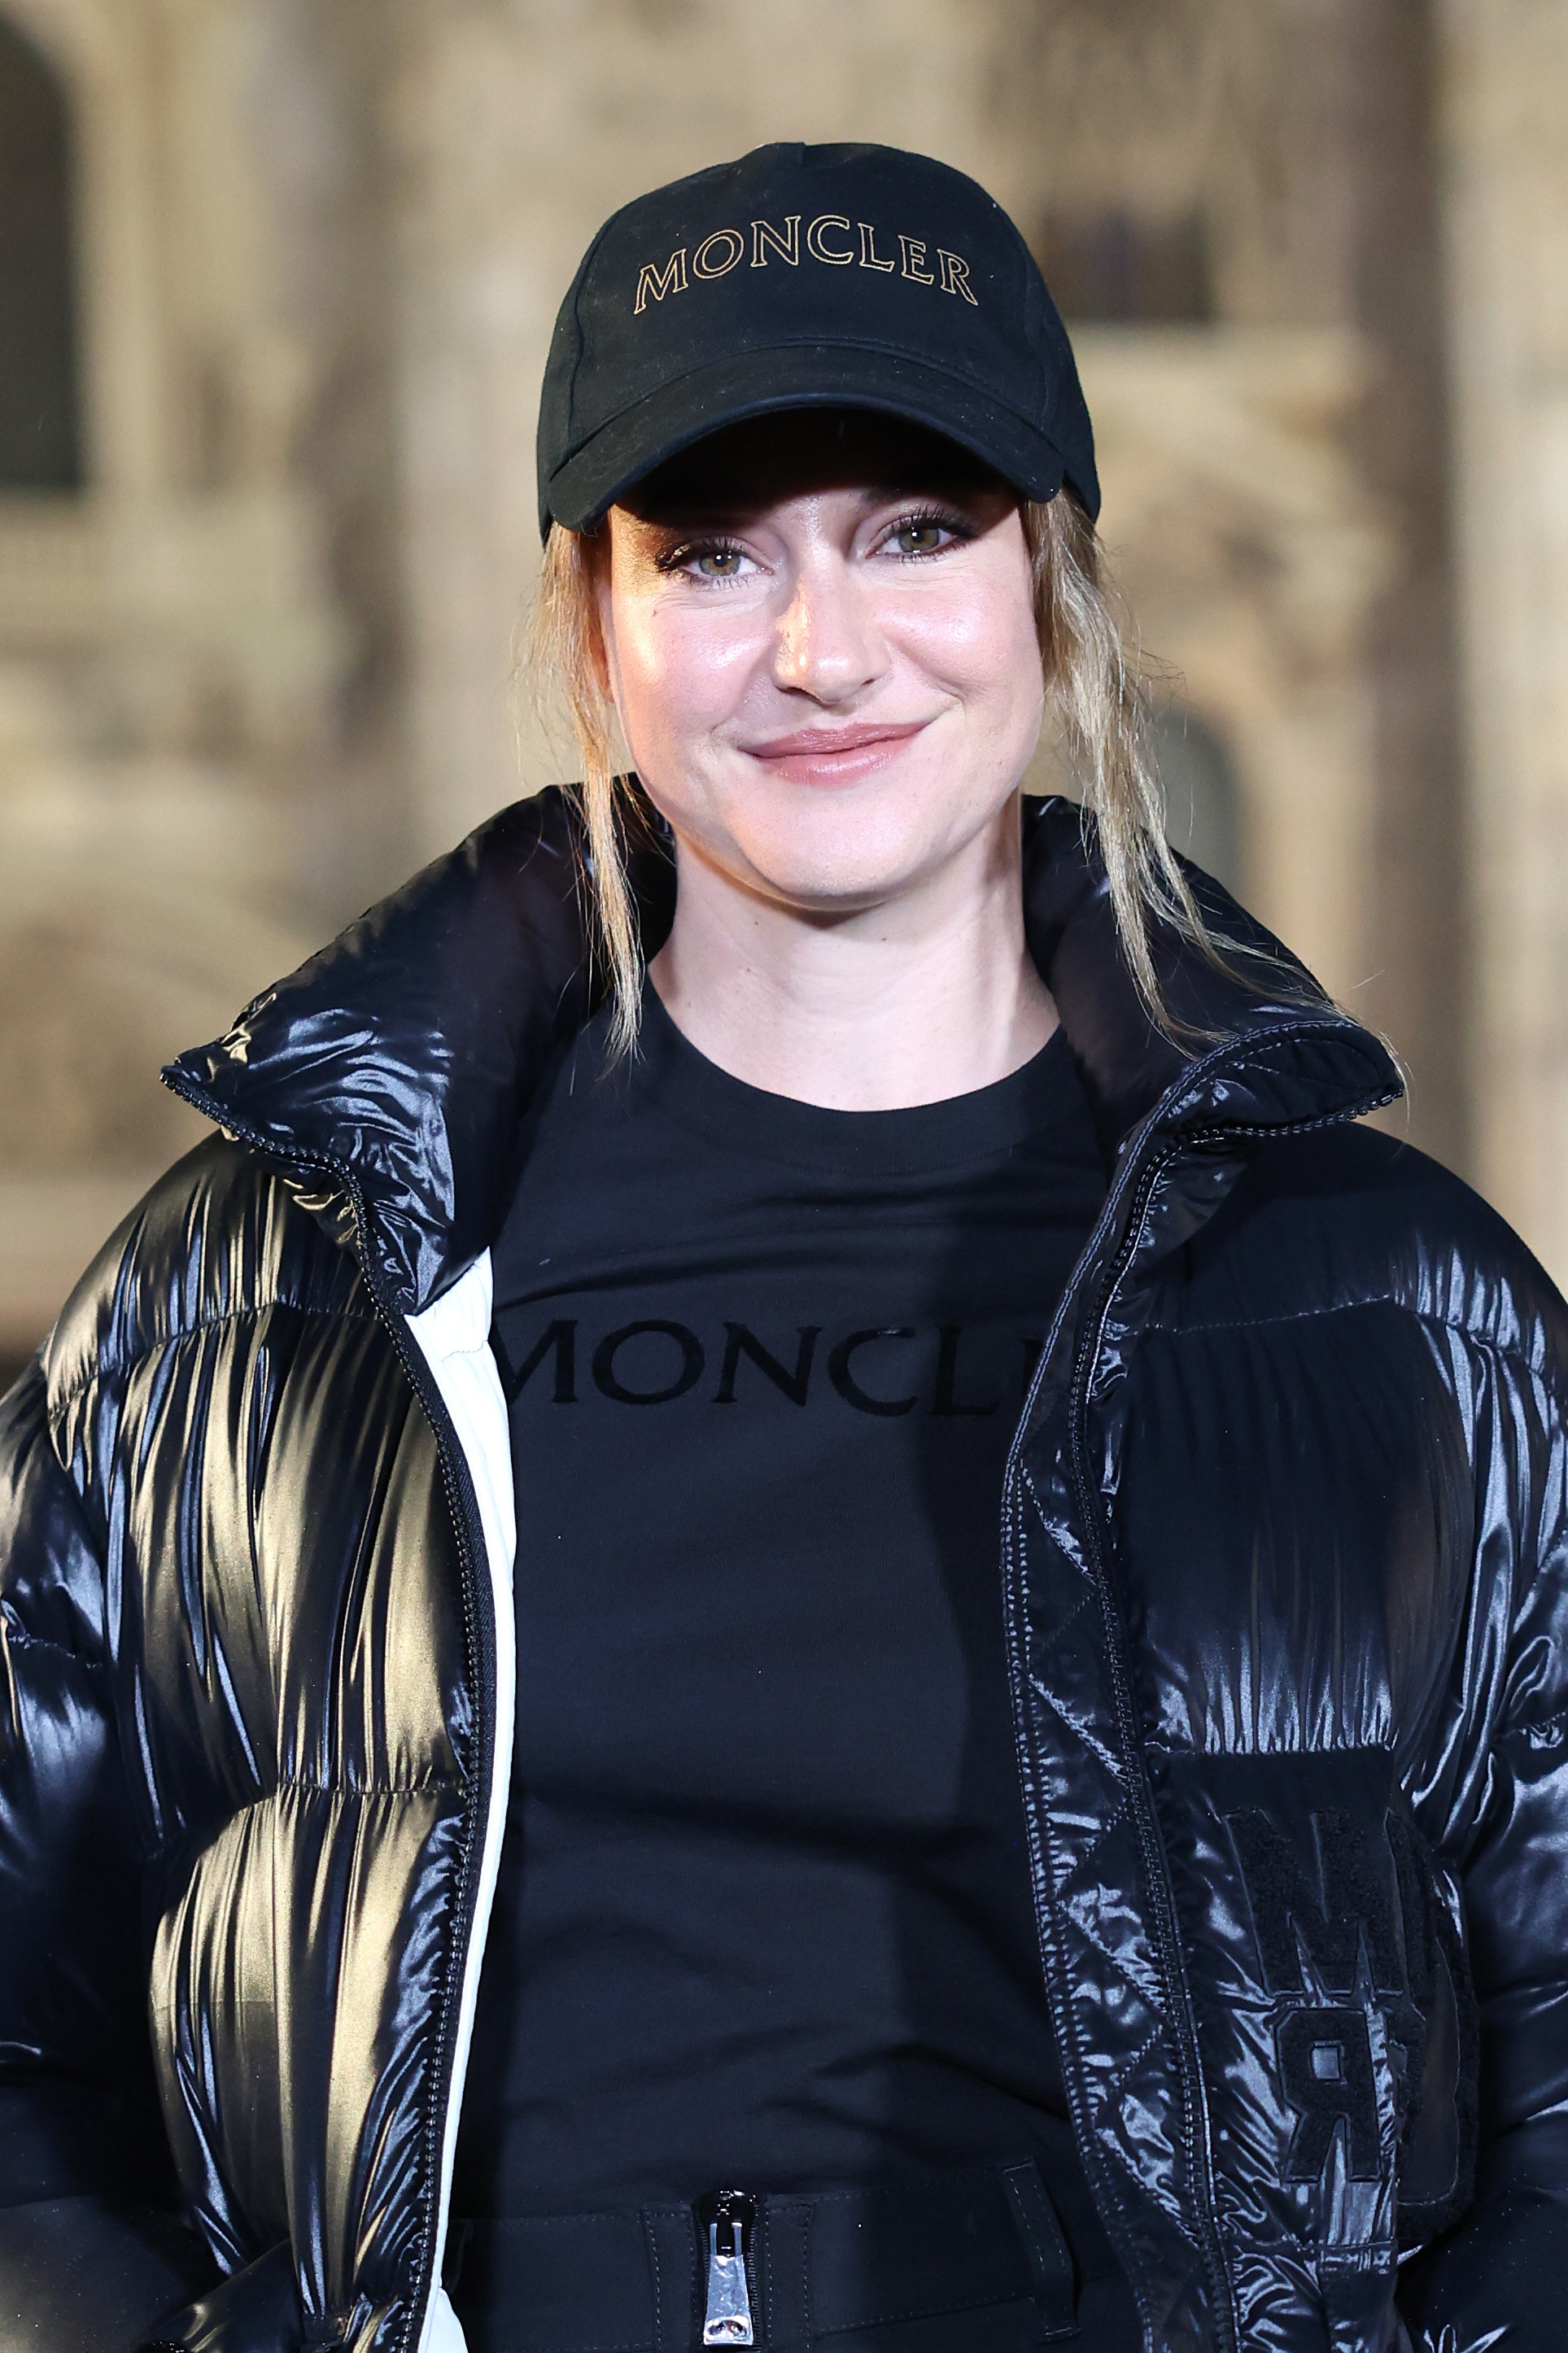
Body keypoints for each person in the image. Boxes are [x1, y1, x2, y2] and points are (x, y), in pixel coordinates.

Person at [0, 139, 1562, 2353]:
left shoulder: (1400, 1309)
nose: (824, 651)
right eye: (715, 555)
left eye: (916, 532)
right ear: (594, 622)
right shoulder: (264, 1296)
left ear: (1053, 582)